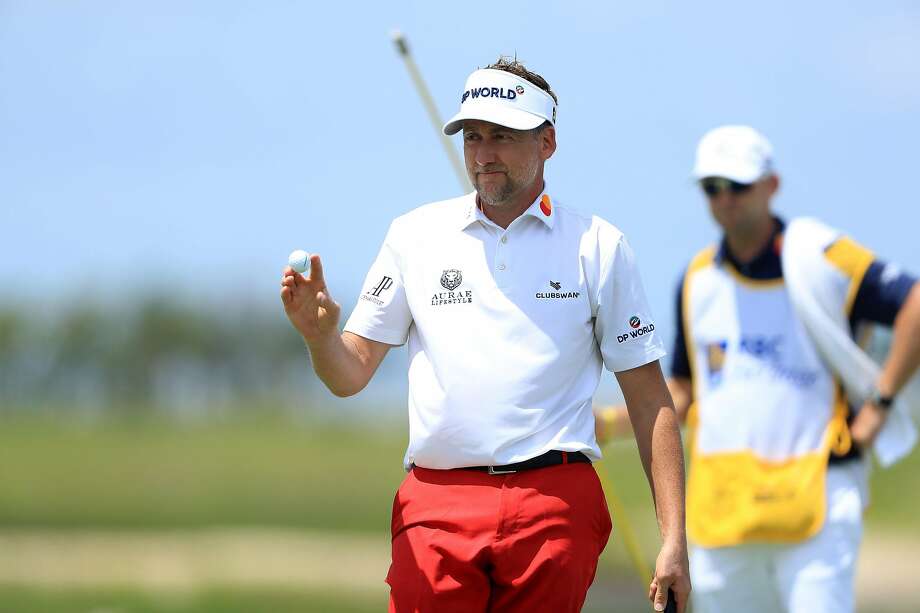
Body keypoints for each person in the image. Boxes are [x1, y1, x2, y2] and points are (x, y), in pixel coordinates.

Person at [281, 57, 691, 612]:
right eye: (473, 137)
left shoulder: (599, 245)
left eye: (503, 135)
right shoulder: (414, 235)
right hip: (437, 501)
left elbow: (648, 400)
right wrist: (319, 338)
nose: (483, 153)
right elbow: (351, 372)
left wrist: (674, 538)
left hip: (555, 498)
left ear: (547, 142)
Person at [595, 125, 920, 613]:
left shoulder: (820, 255)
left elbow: (913, 302)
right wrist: (608, 424)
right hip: (724, 506)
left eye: (738, 186)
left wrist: (881, 403)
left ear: (771, 185)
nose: (725, 200)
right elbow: (683, 392)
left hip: (819, 495)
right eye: (712, 188)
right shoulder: (697, 279)